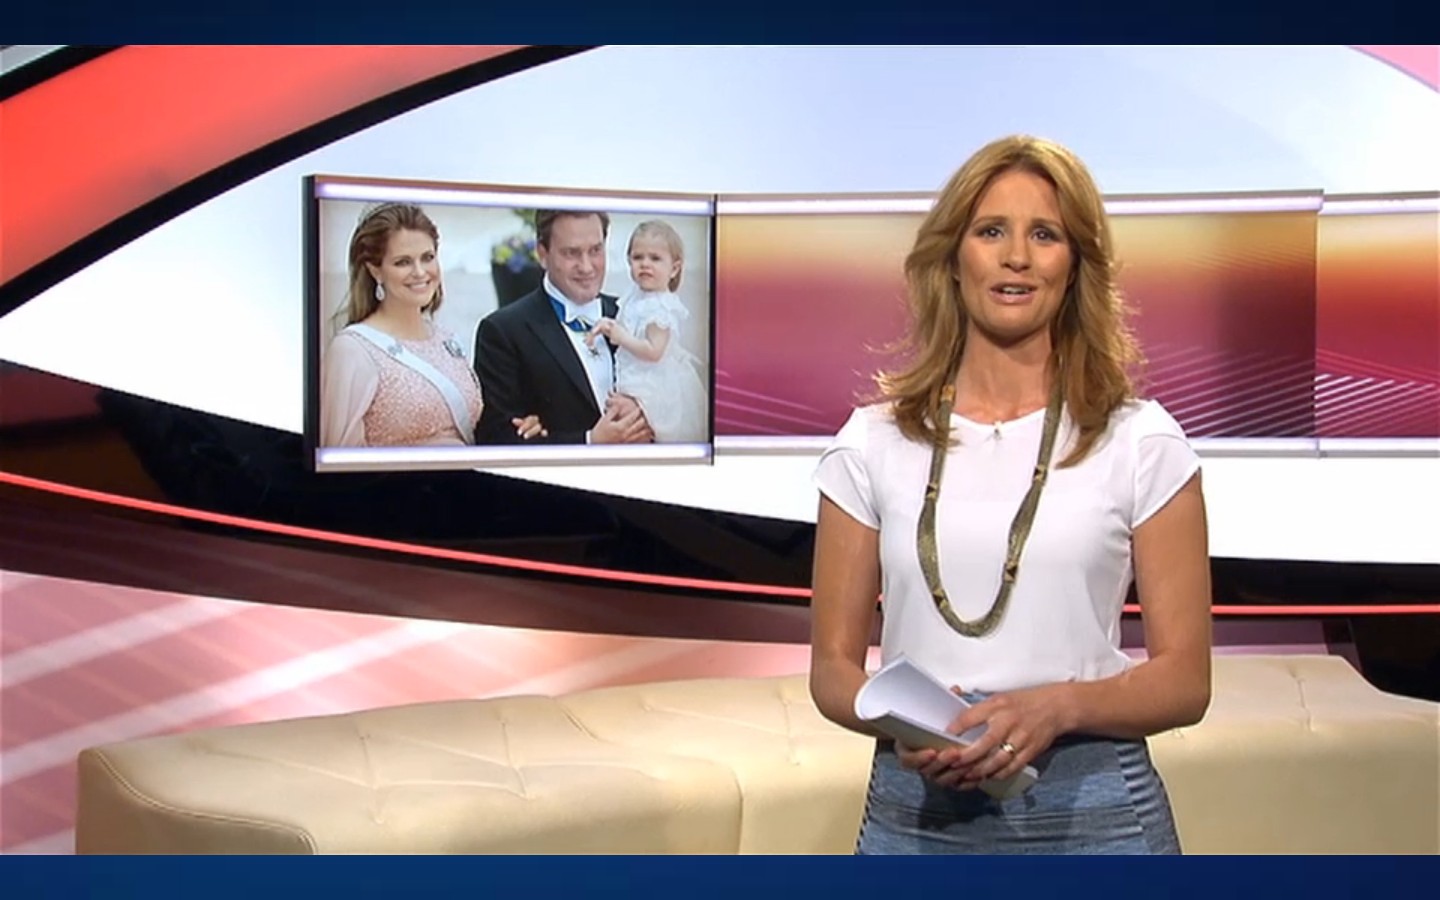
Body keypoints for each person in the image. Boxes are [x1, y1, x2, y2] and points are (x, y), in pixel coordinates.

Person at [809, 134, 1212, 855]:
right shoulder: (870, 443)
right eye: (991, 231)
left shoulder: (1140, 441)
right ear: (952, 258)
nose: (1017, 257)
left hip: (1097, 821)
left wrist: (1057, 708)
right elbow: (831, 673)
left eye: (1045, 235)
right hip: (914, 815)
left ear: (1075, 265)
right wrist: (907, 726)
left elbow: (1186, 679)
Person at [321, 202, 543, 447]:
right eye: (403, 262)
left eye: (427, 258)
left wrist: (520, 427)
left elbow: (474, 431)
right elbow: (337, 461)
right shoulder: (352, 351)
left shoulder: (447, 341)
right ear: (376, 271)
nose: (420, 272)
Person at [472, 209, 654, 445]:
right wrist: (589, 441)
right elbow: (495, 440)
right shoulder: (502, 332)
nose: (586, 267)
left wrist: (648, 413)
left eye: (595, 250)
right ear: (542, 254)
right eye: (571, 253)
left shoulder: (634, 315)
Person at [586, 220, 707, 443]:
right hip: (636, 371)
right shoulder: (636, 296)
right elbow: (627, 324)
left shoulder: (661, 306)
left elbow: (654, 352)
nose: (645, 264)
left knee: (637, 423)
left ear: (674, 268)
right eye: (638, 257)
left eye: (655, 258)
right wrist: (608, 326)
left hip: (656, 381)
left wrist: (621, 337)